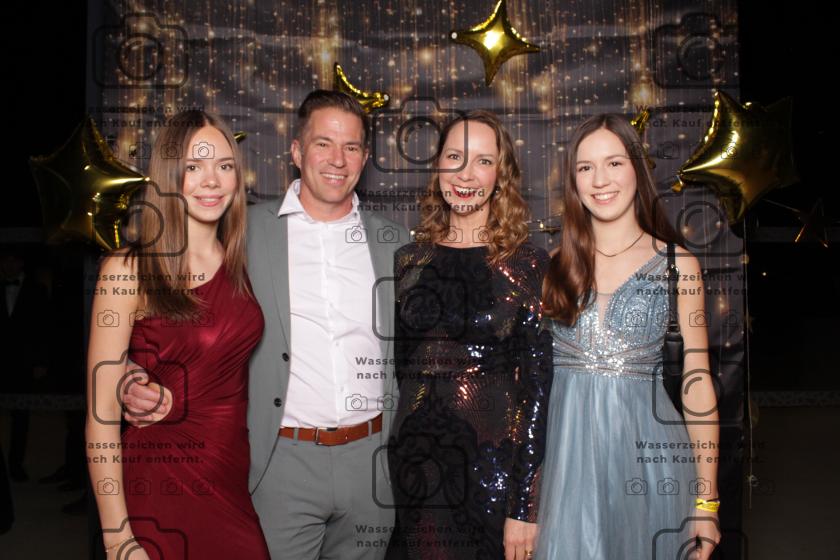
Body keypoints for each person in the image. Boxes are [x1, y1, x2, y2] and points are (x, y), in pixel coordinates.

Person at [122, 90, 409, 559]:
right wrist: (132, 374)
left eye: (352, 147)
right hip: (279, 462)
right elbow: (173, 311)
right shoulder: (241, 232)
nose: (337, 159)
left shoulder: (394, 242)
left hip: (371, 465)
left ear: (365, 157)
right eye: (323, 143)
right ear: (296, 151)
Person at [85, 110, 270, 559]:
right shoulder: (128, 270)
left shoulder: (241, 260)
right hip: (159, 487)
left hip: (230, 483)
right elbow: (101, 417)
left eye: (224, 165)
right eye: (194, 166)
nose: (212, 181)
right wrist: (118, 539)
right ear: (169, 175)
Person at [536, 114, 721, 559]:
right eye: (585, 167)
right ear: (573, 180)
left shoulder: (677, 266)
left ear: (637, 168)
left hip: (651, 469)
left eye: (614, 163)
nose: (600, 180)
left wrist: (707, 502)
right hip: (567, 473)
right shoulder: (553, 267)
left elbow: (697, 385)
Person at [386, 110, 552, 560]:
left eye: (483, 160)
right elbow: (404, 376)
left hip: (492, 476)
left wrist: (524, 505)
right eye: (454, 157)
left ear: (501, 175)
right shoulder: (408, 261)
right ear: (437, 165)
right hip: (416, 470)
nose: (465, 174)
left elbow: (537, 394)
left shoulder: (528, 265)